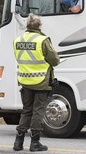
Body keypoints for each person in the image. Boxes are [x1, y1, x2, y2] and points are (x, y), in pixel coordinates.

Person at [12, 13, 60, 152]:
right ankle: (35, 143)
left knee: (26, 111)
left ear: (27, 25)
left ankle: (18, 142)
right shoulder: (42, 40)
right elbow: (55, 60)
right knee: (38, 111)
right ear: (39, 26)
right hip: (40, 81)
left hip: (25, 80)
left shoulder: (17, 40)